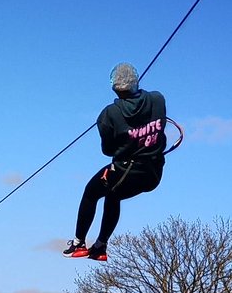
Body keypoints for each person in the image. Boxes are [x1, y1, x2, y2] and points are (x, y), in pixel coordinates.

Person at [64, 62, 167, 262]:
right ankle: (100, 246)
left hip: (126, 171)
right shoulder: (158, 99)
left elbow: (108, 150)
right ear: (136, 81)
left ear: (114, 88)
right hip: (153, 174)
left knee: (91, 192)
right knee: (113, 195)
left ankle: (79, 242)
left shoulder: (108, 114)